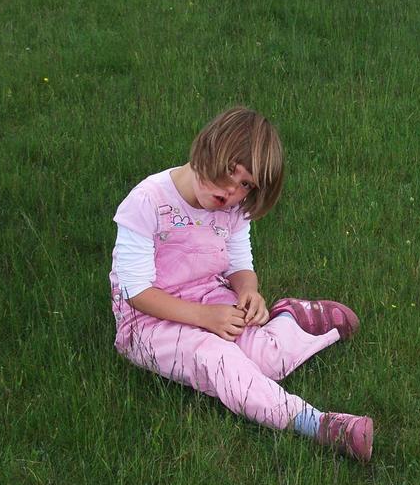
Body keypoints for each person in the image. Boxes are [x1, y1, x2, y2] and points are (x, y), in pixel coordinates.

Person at [109, 106, 373, 461]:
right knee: (217, 358)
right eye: (229, 173)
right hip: (149, 322)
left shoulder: (234, 209)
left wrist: (248, 291)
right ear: (206, 149)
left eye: (246, 185)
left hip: (211, 300)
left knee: (266, 363)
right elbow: (136, 293)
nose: (231, 191)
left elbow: (239, 264)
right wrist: (206, 319)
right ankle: (317, 424)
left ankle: (294, 320)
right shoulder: (147, 202)